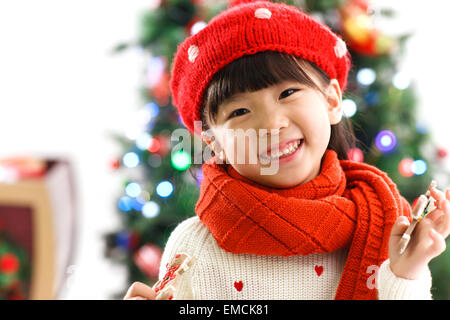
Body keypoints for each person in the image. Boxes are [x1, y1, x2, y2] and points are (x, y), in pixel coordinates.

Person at [124, 0, 450, 300]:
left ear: (332, 101)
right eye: (239, 112)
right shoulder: (196, 247)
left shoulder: (385, 225)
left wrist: (404, 273)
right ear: (213, 142)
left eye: (288, 92)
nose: (271, 124)